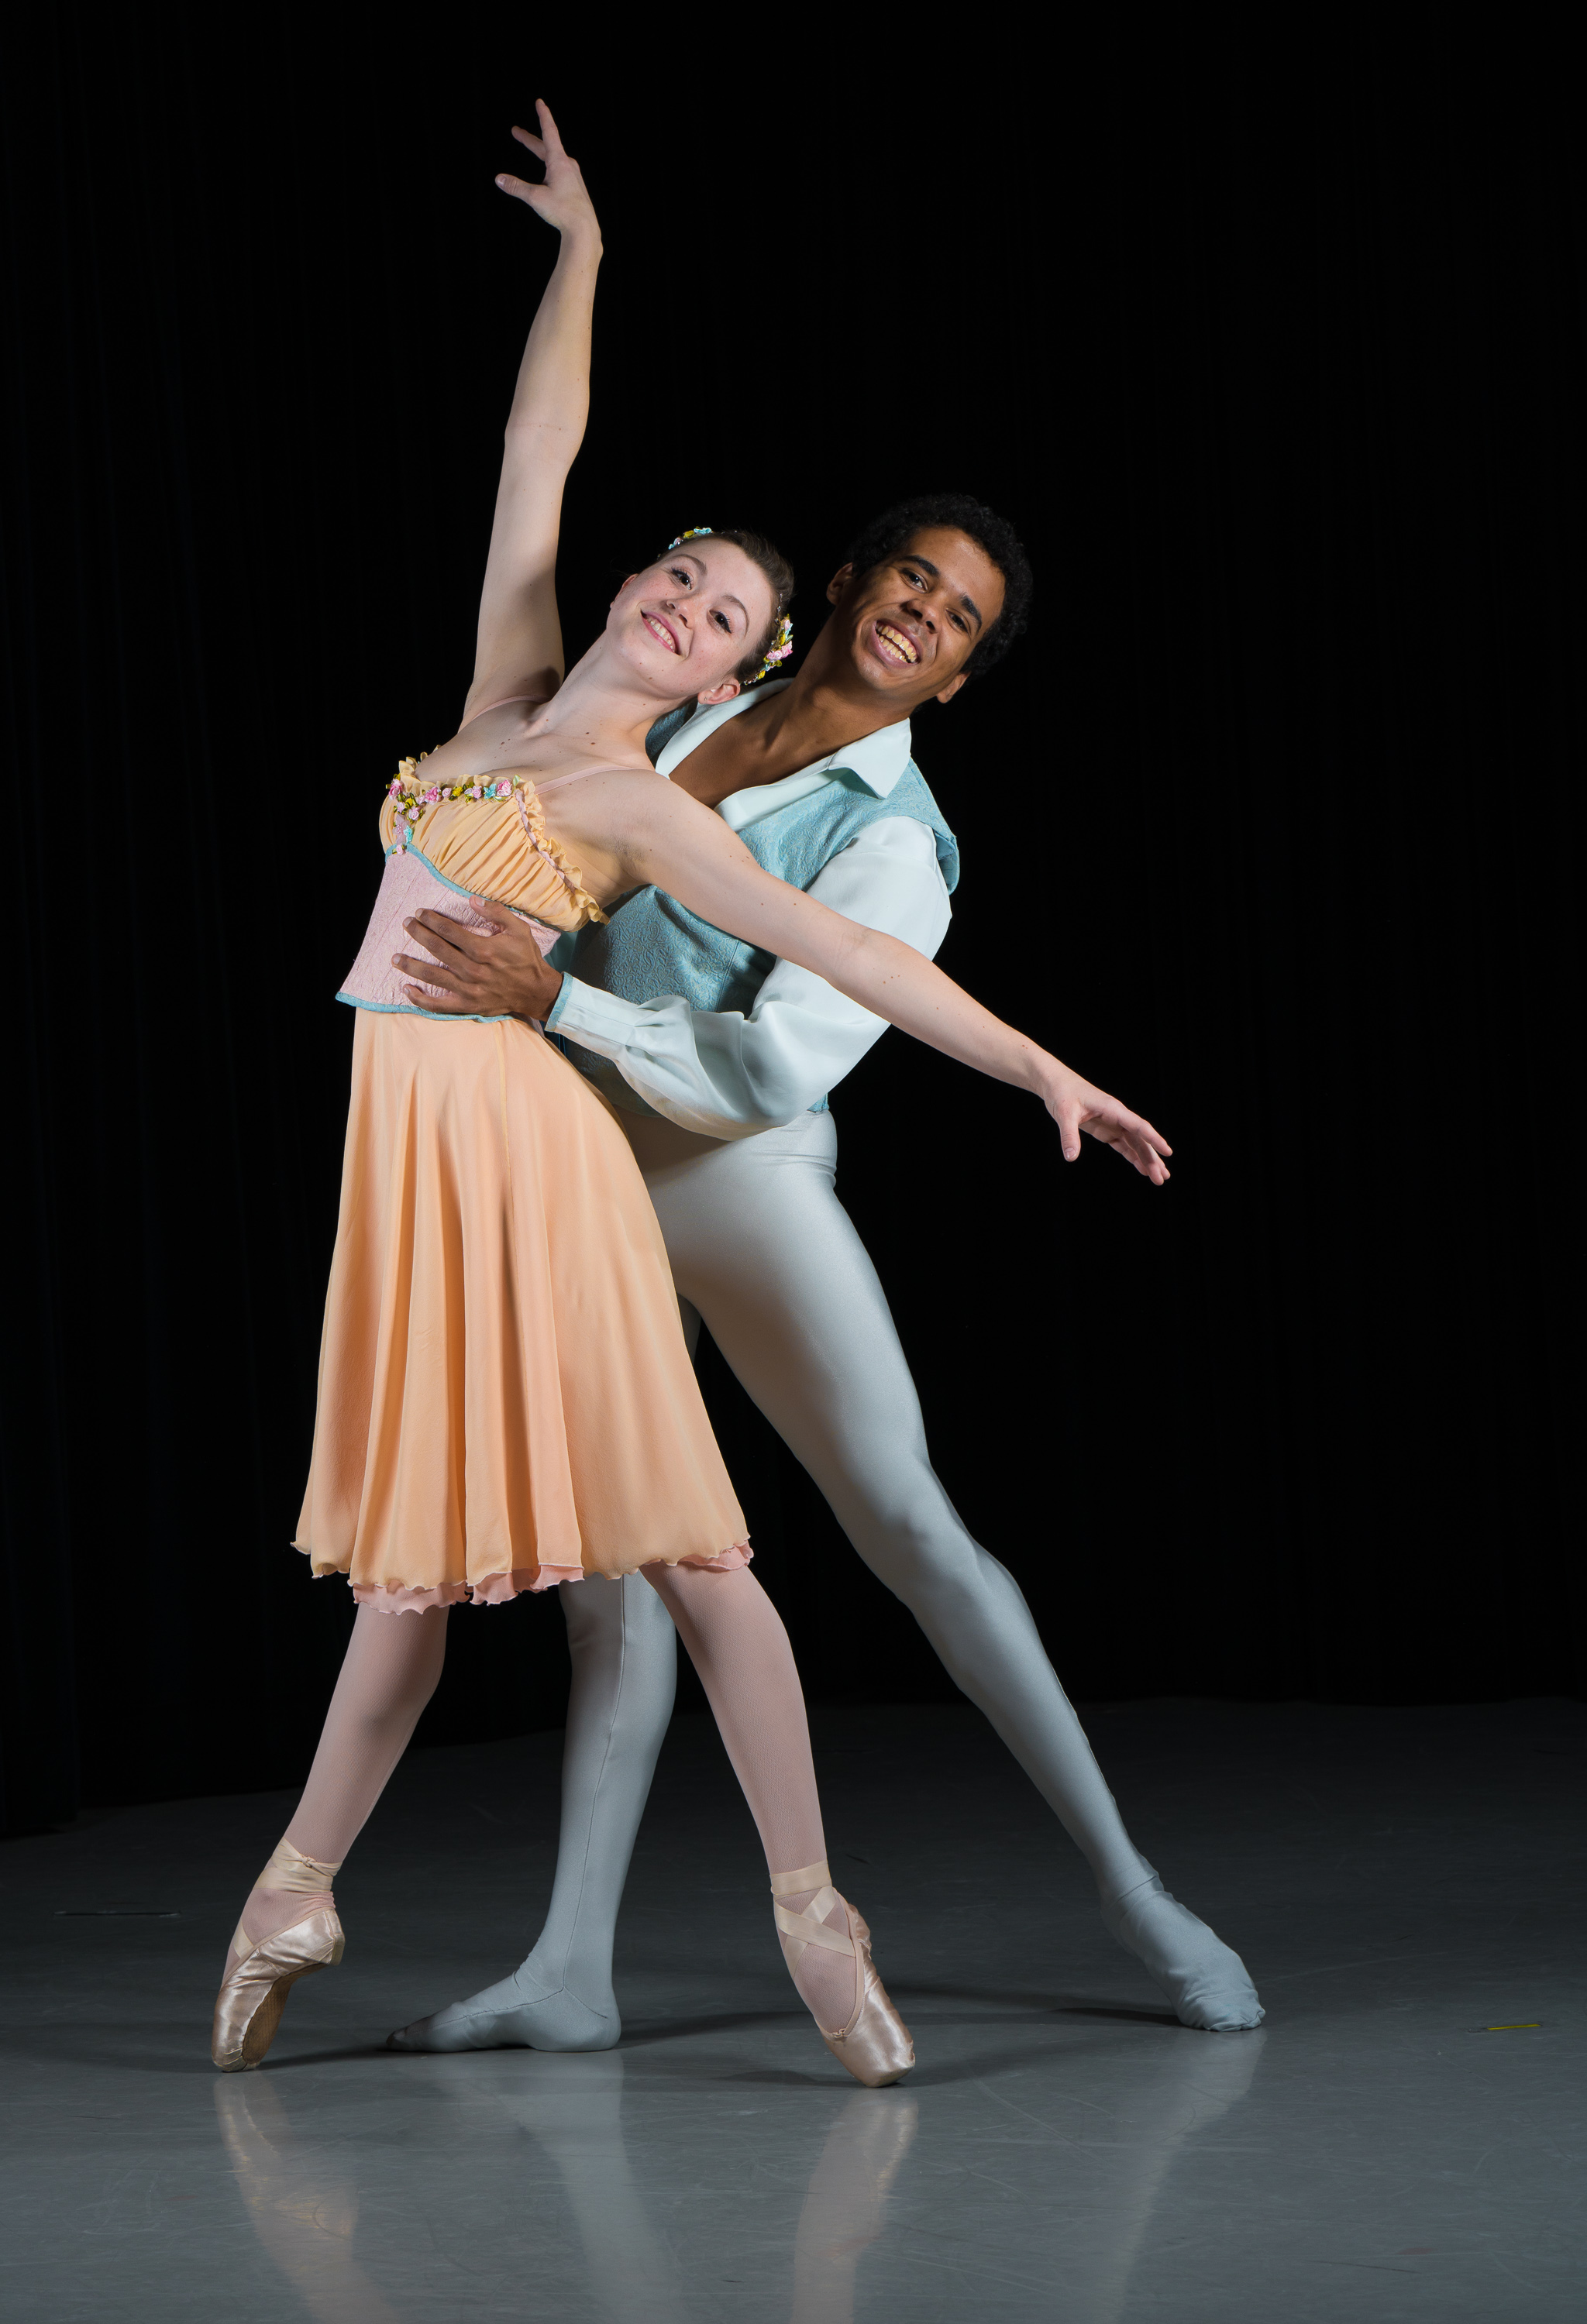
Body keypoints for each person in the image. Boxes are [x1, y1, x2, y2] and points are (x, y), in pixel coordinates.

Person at [212, 105, 1172, 2087]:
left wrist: (1046, 1067)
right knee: (453, 1569)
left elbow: (848, 974)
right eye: (686, 580)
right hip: (432, 1162)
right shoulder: (532, 698)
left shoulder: (688, 808)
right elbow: (536, 457)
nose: (692, 612)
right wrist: (583, 256)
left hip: (600, 1150)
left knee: (735, 1539)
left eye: (728, 615)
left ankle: (872, 1913)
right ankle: (347, 1907)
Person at [380, 546, 1262, 2050]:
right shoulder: (680, 699)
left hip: (741, 1176)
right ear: (850, 584)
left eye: (959, 618)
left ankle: (1138, 1893)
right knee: (616, 1582)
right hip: (572, 1165)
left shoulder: (894, 838)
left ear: (959, 676)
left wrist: (562, 1002)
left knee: (909, 1524)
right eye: (913, 579)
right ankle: (570, 1971)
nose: (923, 614)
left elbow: (776, 1065)